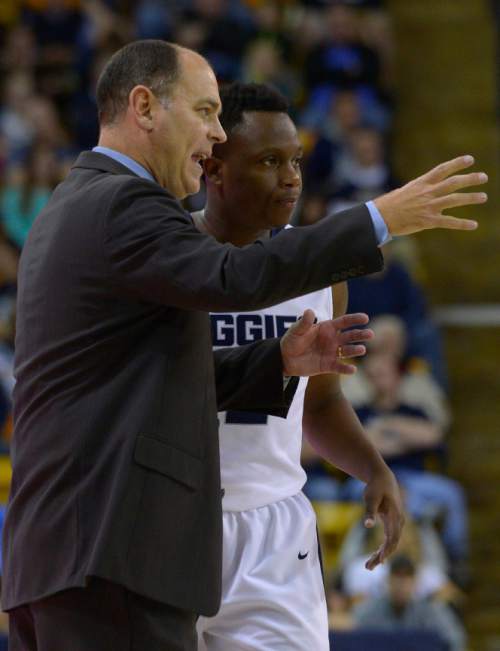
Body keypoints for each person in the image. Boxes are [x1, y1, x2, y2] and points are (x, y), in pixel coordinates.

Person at [2, 39, 487, 651]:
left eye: (297, 161)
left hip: (150, 537)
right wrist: (378, 218)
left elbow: (152, 373)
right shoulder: (130, 210)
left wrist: (280, 362)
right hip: (117, 541)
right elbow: (234, 278)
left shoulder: (85, 202)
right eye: (205, 113)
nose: (213, 133)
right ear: (146, 107)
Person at [194, 81, 404, 651]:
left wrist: (372, 467)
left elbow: (322, 401)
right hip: (173, 521)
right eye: (268, 161)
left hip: (273, 529)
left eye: (295, 161)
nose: (291, 178)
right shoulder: (169, 256)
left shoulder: (319, 272)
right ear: (214, 167)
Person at [353, 553, 466, 651]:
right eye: (397, 577)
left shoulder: (431, 611)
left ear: (415, 582)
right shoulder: (370, 611)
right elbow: (352, 638)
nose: (401, 585)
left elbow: (456, 640)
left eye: (406, 577)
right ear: (388, 581)